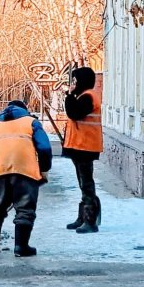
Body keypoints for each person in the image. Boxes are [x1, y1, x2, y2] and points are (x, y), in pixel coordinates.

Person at [0, 100, 52, 257]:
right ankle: (21, 247)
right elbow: (44, 148)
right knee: (24, 208)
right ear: (24, 110)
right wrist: (44, 169)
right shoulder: (31, 122)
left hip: (0, 169)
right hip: (24, 170)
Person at [63, 67, 103, 234]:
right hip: (80, 145)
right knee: (83, 182)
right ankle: (83, 217)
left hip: (85, 146)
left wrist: (69, 96)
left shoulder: (88, 97)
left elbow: (74, 113)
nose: (74, 84)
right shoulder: (84, 95)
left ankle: (90, 220)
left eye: (76, 80)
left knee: (86, 183)